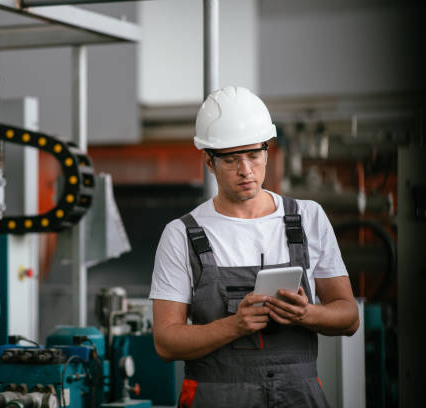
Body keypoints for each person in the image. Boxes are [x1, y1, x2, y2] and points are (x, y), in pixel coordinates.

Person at [149, 86, 359, 407]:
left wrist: (307, 313)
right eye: (232, 159)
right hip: (216, 396)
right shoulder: (181, 234)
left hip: (298, 396)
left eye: (254, 155)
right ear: (209, 162)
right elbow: (166, 342)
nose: (246, 170)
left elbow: (349, 317)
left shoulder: (307, 217)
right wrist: (234, 326)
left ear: (267, 150)